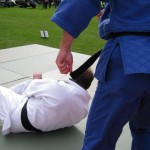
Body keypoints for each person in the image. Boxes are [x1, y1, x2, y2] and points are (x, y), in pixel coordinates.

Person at [51, 0, 150, 150]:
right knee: (146, 131)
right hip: (133, 50)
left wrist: (65, 48)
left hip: (129, 56)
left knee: (100, 138)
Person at [0, 69, 94, 135]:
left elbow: (28, 90)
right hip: (30, 126)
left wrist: (37, 80)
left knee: (28, 84)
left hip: (13, 115)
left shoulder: (59, 88)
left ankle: (9, 93)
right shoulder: (84, 110)